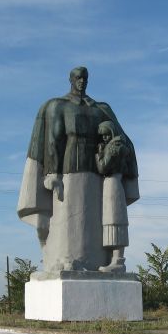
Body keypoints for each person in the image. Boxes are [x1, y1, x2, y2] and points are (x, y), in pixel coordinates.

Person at [17, 67, 139, 272]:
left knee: (95, 219)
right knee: (67, 218)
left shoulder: (101, 109)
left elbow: (121, 139)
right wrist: (53, 173)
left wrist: (115, 158)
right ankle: (67, 258)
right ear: (71, 80)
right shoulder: (59, 106)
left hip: (97, 174)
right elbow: (53, 140)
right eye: (78, 78)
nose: (82, 82)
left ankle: (97, 260)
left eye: (85, 78)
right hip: (68, 172)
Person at [95, 121, 130, 272]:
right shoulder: (120, 145)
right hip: (113, 183)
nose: (104, 138)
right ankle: (115, 260)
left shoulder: (114, 146)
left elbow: (102, 167)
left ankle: (118, 261)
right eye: (102, 135)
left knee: (115, 221)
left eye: (106, 134)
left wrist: (98, 154)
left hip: (112, 184)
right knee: (112, 222)